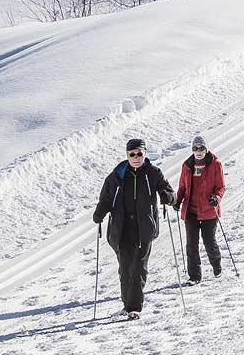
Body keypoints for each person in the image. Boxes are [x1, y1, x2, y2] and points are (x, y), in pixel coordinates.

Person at [93, 137, 177, 318]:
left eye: (139, 153)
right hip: (122, 230)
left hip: (144, 230)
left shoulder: (153, 173)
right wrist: (100, 212)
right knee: (125, 271)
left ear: (145, 154)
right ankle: (126, 304)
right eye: (132, 154)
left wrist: (166, 196)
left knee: (139, 269)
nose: (136, 157)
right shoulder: (117, 175)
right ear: (127, 155)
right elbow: (106, 198)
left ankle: (134, 308)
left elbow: (171, 193)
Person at [176, 133, 226, 283]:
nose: (198, 151)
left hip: (209, 211)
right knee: (191, 244)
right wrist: (177, 200)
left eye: (201, 148)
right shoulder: (187, 165)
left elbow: (221, 187)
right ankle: (194, 276)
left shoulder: (215, 164)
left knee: (209, 241)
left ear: (206, 149)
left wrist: (216, 199)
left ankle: (216, 264)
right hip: (191, 211)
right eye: (195, 148)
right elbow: (182, 186)